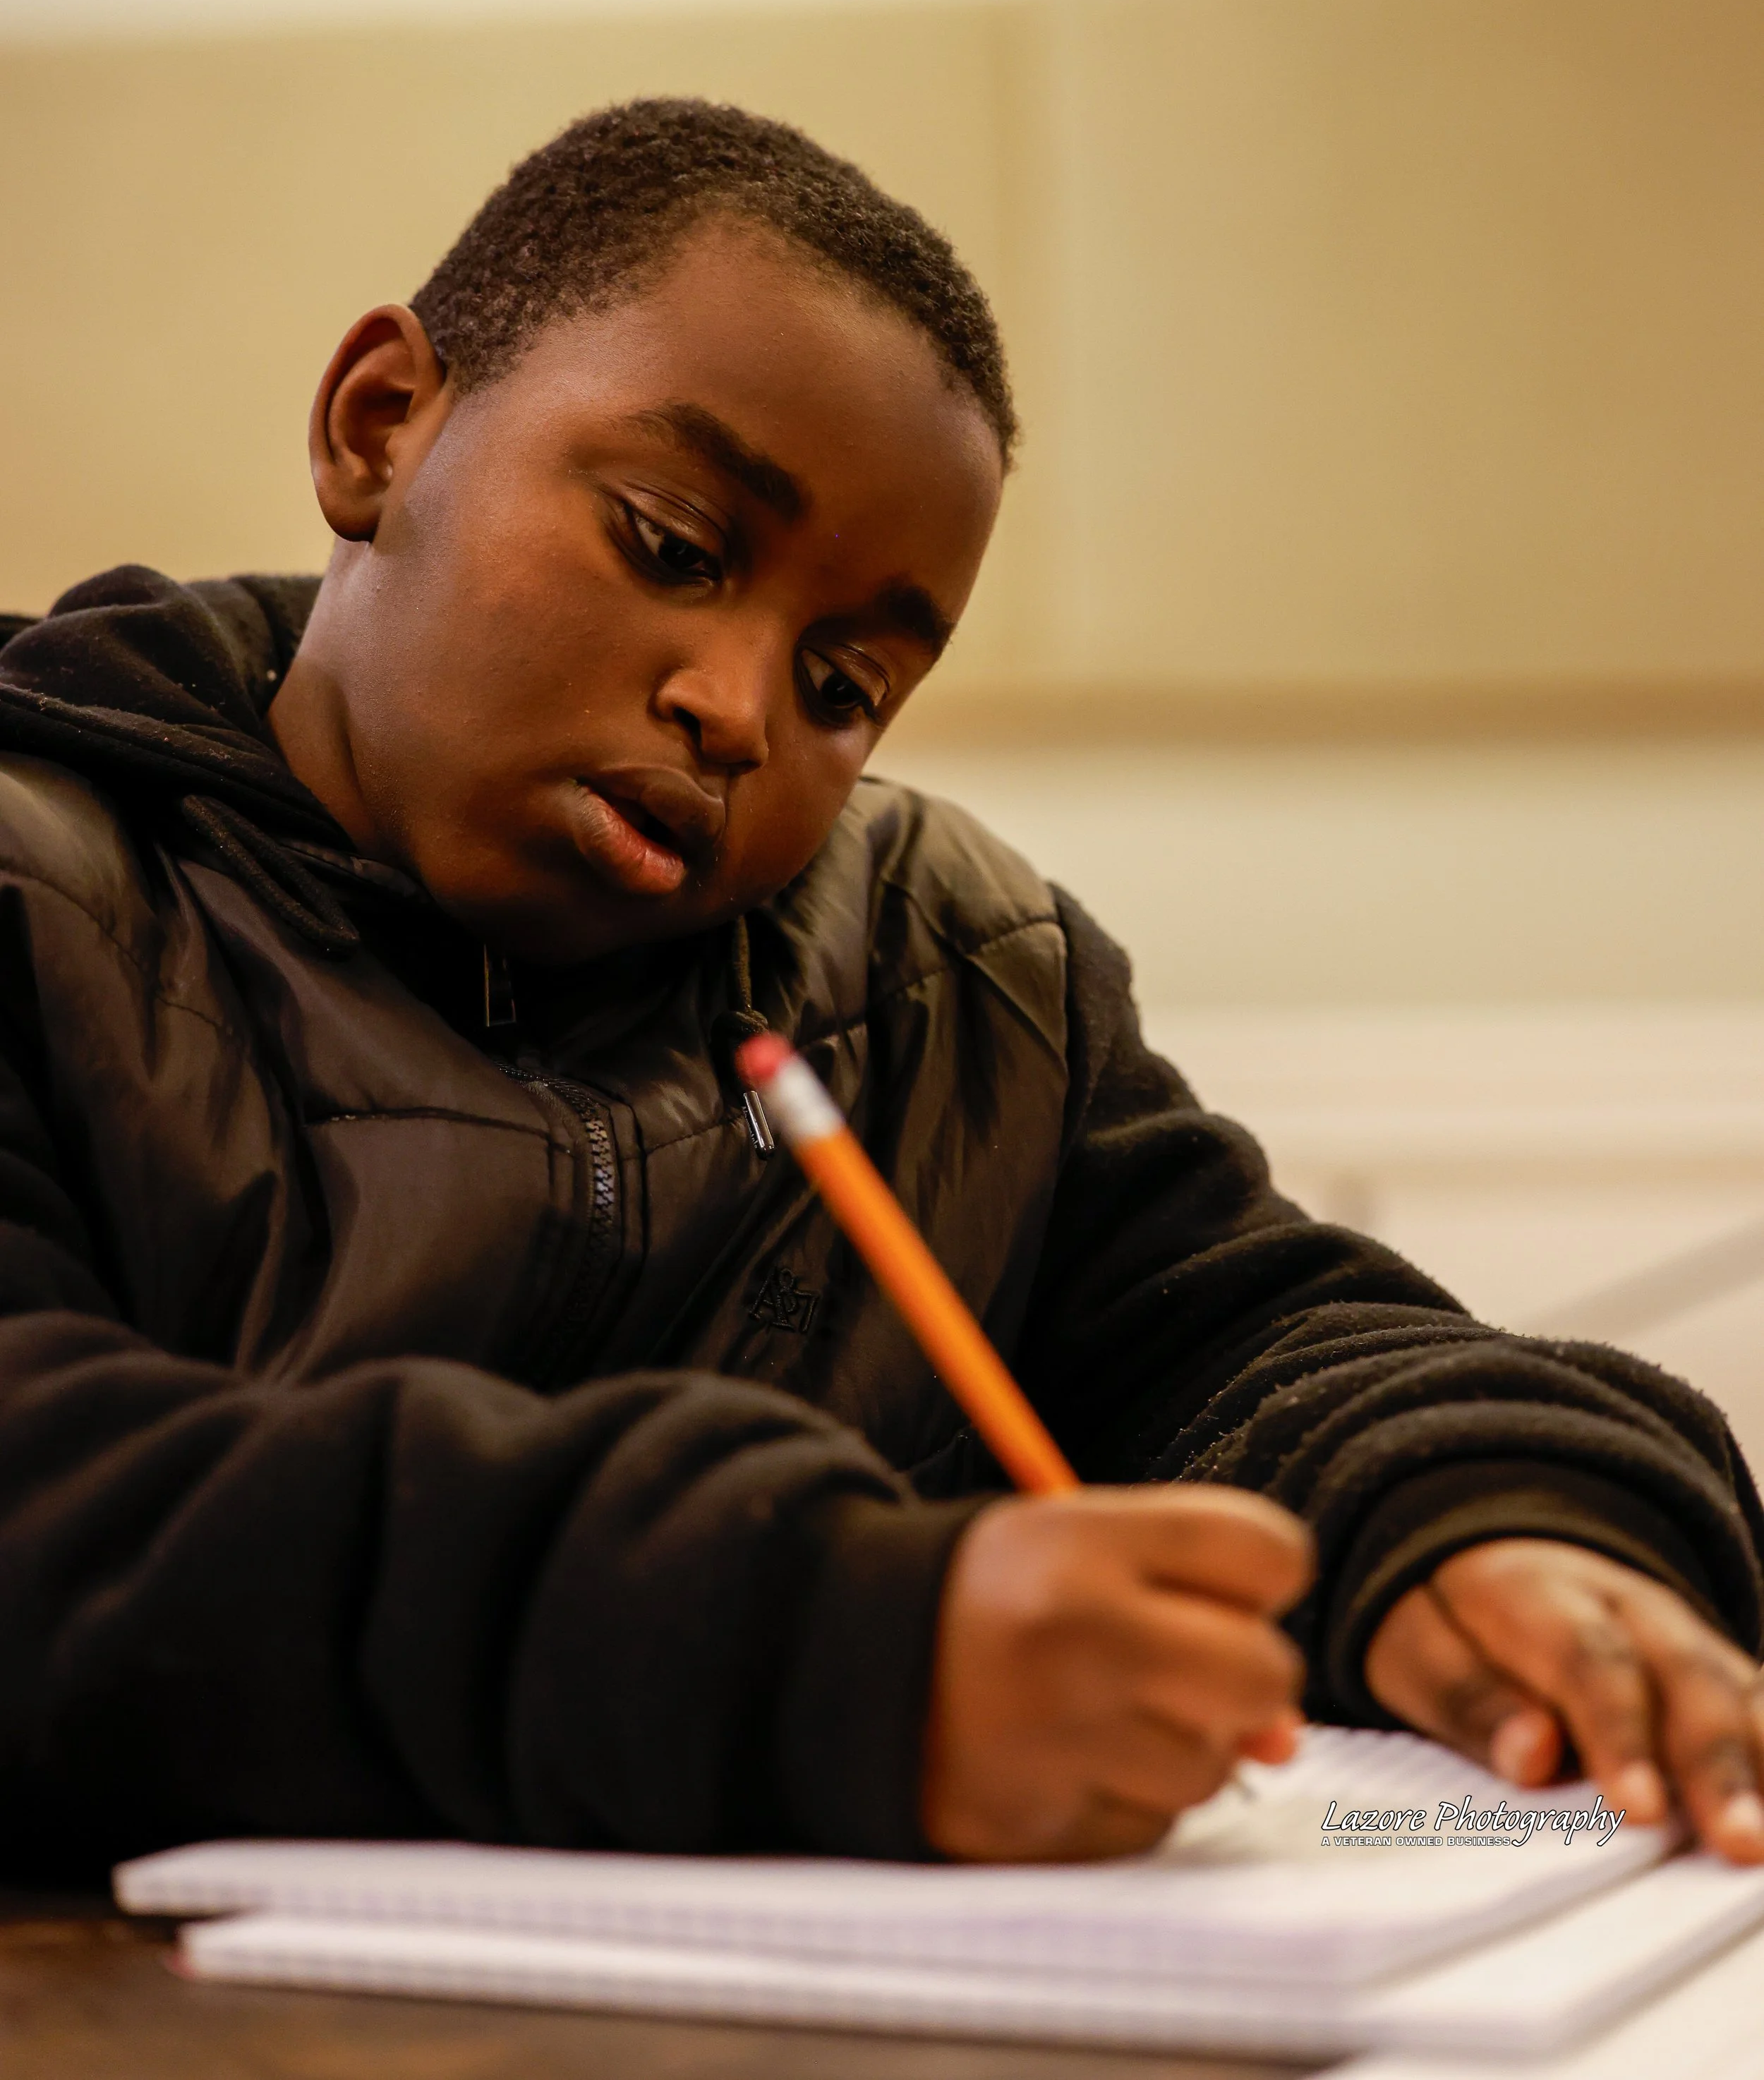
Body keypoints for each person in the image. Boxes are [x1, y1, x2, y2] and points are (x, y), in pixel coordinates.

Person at [1, 97, 1760, 1880]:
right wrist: (813, 1652)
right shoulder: (41, 897)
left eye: (845, 684)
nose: (739, 711)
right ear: (383, 425)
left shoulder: (956, 979)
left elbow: (1249, 1345)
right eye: (673, 548)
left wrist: (1480, 1521)